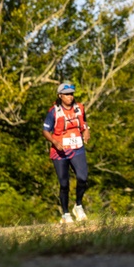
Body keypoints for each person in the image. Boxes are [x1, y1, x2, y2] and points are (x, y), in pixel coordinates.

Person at [42, 82, 91, 222]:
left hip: (77, 148)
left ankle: (78, 205)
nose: (70, 97)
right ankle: (65, 213)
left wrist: (86, 131)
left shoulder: (79, 108)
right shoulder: (54, 111)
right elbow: (45, 130)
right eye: (67, 94)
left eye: (72, 94)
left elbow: (84, 123)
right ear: (60, 96)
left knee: (83, 177)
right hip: (60, 151)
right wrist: (55, 142)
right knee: (64, 184)